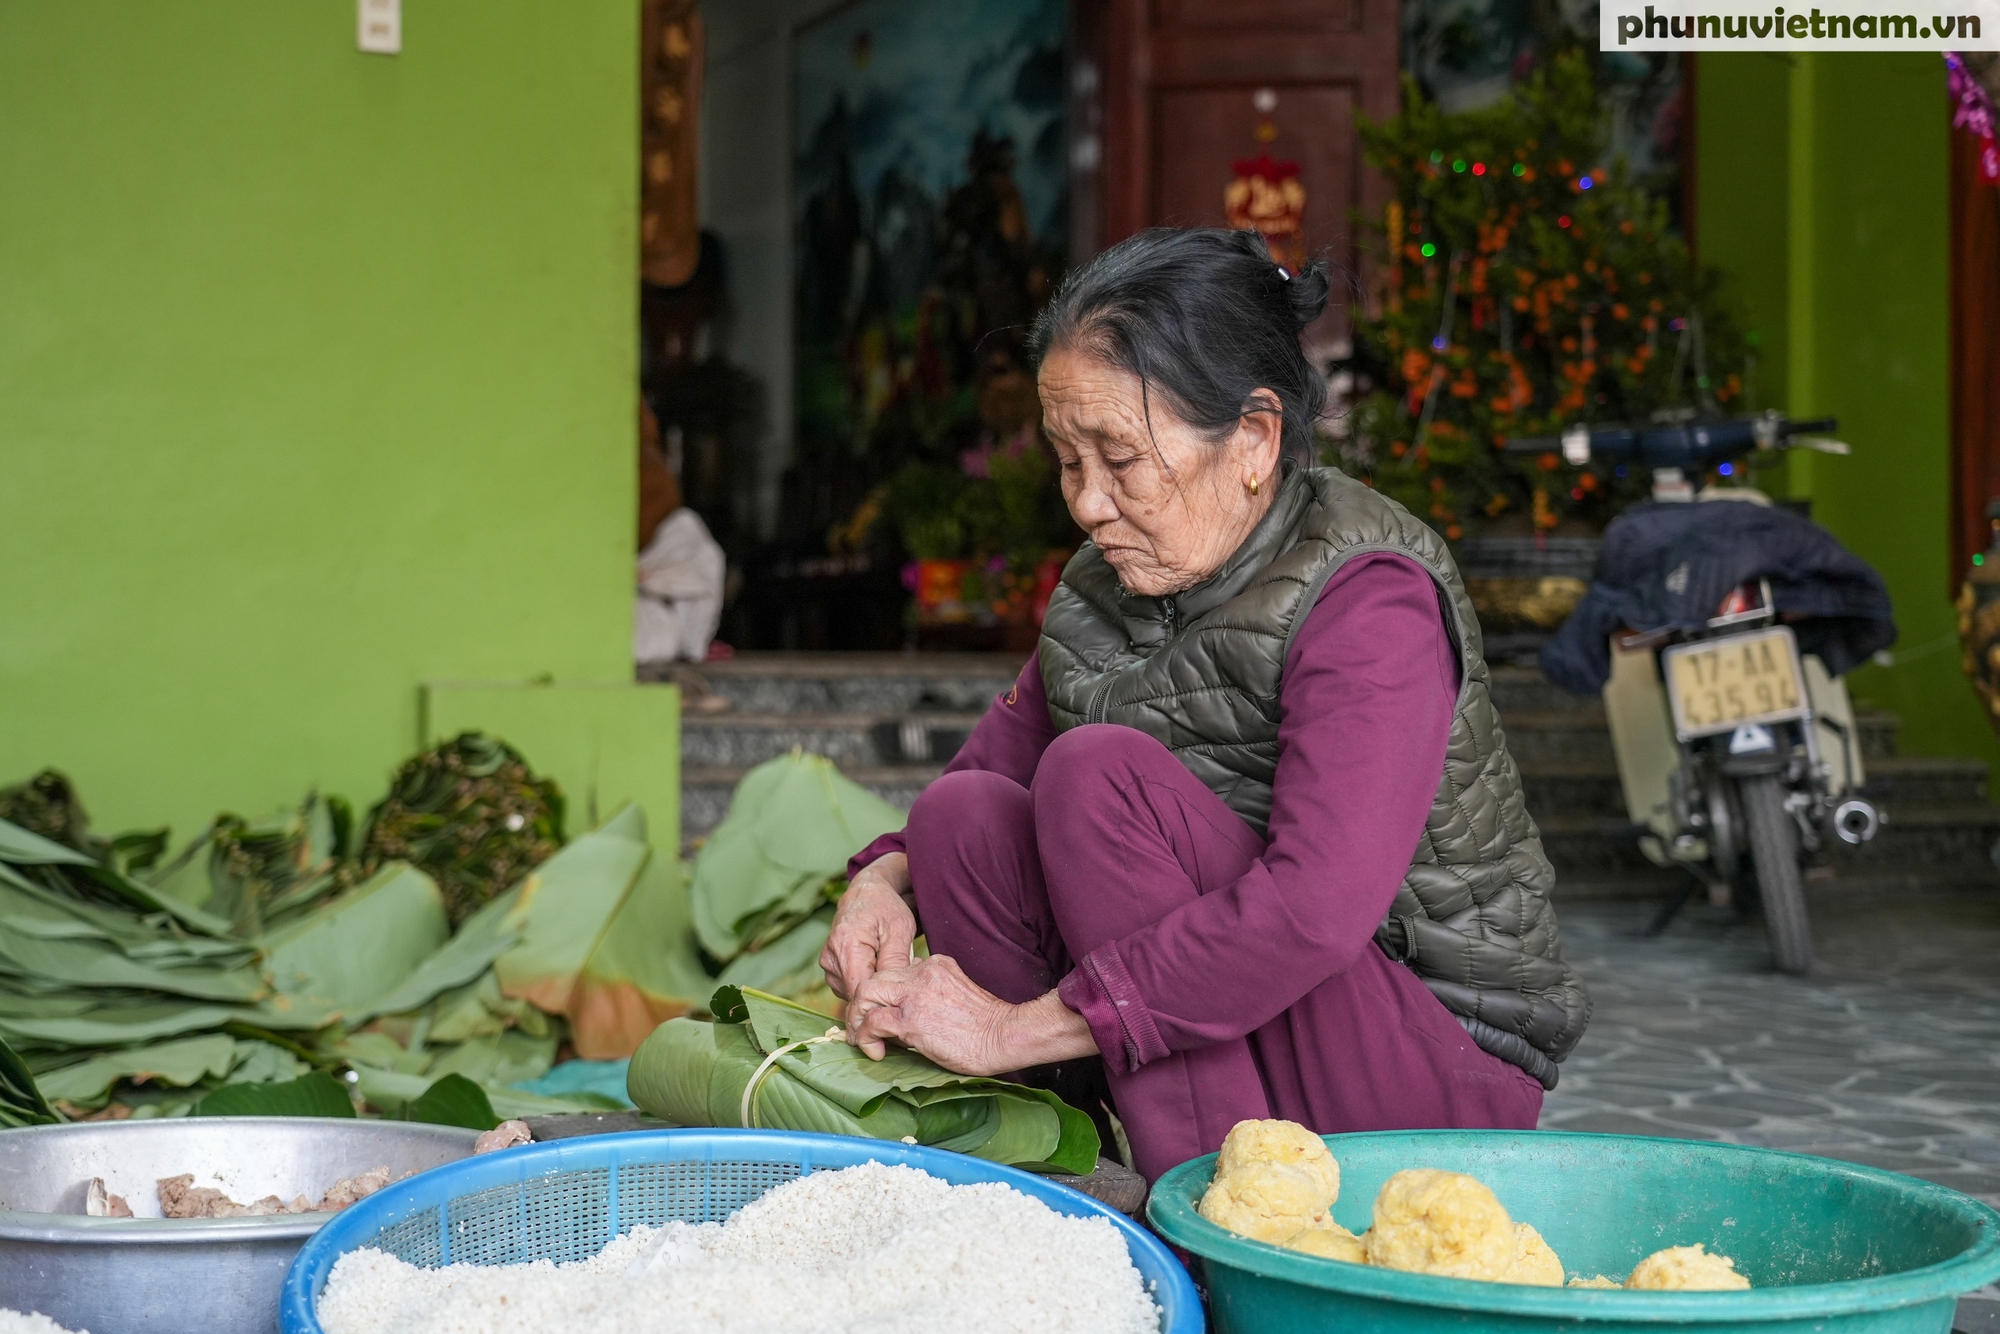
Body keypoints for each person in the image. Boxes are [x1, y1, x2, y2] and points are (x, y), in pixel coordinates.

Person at [819, 228, 1590, 1182]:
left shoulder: (1367, 596)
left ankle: (1218, 1227)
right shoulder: (1102, 584)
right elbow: (983, 774)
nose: (1090, 505)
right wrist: (873, 887)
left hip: (1429, 1062)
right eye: (1069, 463)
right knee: (958, 819)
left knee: (1096, 779)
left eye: (1122, 460)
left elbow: (1314, 912)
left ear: (1255, 440)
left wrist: (1012, 1030)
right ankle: (1062, 1177)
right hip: (1252, 1023)